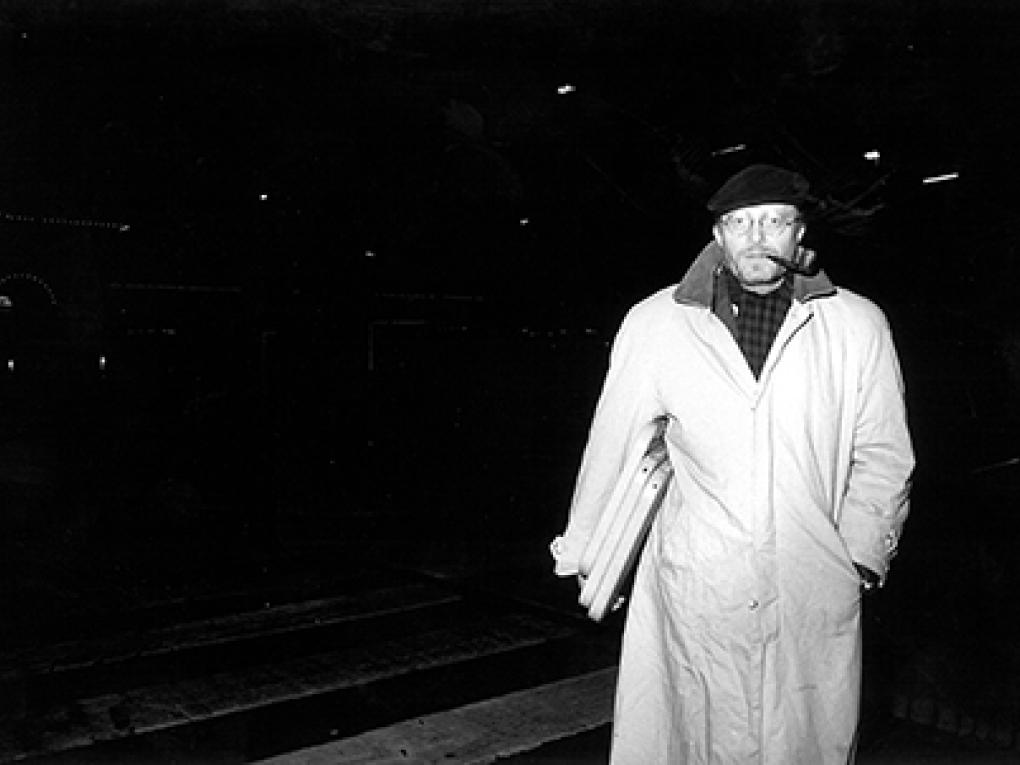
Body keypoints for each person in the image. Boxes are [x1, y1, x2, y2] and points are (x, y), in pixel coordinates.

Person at [550, 163, 914, 764]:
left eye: (774, 221)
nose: (757, 237)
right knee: (696, 734)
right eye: (740, 223)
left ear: (800, 232)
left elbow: (882, 453)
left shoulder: (856, 325)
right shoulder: (658, 322)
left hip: (808, 577)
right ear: (718, 234)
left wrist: (859, 556)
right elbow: (612, 440)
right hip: (696, 576)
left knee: (801, 740)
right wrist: (586, 557)